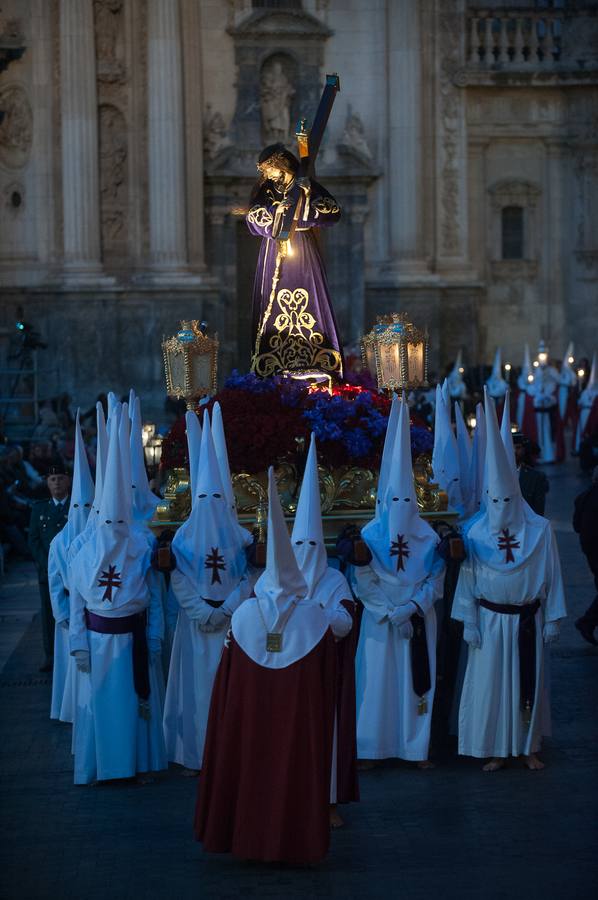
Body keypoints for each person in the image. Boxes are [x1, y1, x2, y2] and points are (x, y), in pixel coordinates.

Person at [194, 467, 337, 864]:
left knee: (250, 768)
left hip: (249, 722)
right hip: (297, 725)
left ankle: (246, 837)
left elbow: (226, 686)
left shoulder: (242, 616)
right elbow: (328, 681)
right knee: (292, 772)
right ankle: (296, 840)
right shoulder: (313, 618)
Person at [452, 389, 566, 771]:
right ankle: (496, 749)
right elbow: (467, 579)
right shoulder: (475, 533)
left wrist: (552, 617)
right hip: (489, 620)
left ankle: (527, 745)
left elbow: (552, 574)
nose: (500, 509)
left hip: (526, 621)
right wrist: (468, 619)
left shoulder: (540, 531)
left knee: (526, 686)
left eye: (507, 501)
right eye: (494, 501)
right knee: (492, 689)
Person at [68, 404, 167, 785]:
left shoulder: (141, 547)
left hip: (133, 640)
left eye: (118, 521)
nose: (112, 528)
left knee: (133, 706)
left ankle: (134, 765)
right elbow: (78, 602)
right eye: (106, 521)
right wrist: (78, 643)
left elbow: (154, 597)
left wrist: (154, 636)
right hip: (96, 641)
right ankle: (103, 767)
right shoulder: (85, 552)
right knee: (100, 709)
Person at [354, 399, 445, 767]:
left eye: (407, 499)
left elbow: (436, 577)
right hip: (379, 620)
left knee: (414, 683)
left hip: (417, 618)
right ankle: (373, 748)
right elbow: (362, 577)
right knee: (376, 683)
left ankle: (414, 746)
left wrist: (412, 608)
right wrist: (388, 610)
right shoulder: (370, 534)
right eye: (395, 499)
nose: (401, 505)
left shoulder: (428, 537)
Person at [163, 411, 252, 775]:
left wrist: (228, 607)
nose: (212, 502)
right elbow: (178, 579)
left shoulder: (242, 536)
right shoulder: (182, 537)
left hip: (232, 625)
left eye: (219, 495)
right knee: (198, 691)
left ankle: (232, 754)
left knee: (231, 691)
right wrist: (203, 612)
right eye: (206, 495)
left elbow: (251, 576)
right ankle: (198, 755)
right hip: (197, 625)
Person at [292, 433, 358, 828]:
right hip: (286, 673)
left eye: (311, 544)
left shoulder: (334, 580)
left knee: (325, 739)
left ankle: (328, 801)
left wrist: (311, 614)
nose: (304, 552)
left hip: (324, 676)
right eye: (298, 543)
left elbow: (345, 622)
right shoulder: (275, 579)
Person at [246, 143, 344, 378]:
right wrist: (277, 212)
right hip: (274, 250)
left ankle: (315, 357)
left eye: (268, 169)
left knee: (308, 296)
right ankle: (272, 359)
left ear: (279, 164)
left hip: (302, 249)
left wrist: (308, 195)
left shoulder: (305, 184)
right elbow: (253, 217)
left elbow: (332, 212)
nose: (266, 175)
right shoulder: (268, 191)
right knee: (274, 299)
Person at [47, 412, 94, 721]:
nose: (81, 512)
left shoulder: (97, 539)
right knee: (71, 667)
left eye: (86, 507)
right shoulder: (59, 542)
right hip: (69, 613)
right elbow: (53, 580)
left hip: (95, 609)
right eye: (76, 507)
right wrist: (62, 614)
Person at [28, 464, 71, 672]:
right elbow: (33, 539)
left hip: (71, 572)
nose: (57, 483)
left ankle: (72, 650)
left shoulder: (76, 507)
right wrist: (48, 565)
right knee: (48, 613)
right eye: (53, 480)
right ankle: (50, 655)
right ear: (47, 482)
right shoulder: (40, 508)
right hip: (48, 572)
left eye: (61, 478)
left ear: (68, 480)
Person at [573, 466, 598, 646]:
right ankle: (587, 622)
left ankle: (587, 622)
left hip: (590, 550)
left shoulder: (583, 497)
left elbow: (576, 525)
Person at [513, 433, 549, 515]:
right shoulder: (495, 475)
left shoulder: (536, 477)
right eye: (510, 447)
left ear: (524, 450)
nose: (514, 451)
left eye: (518, 447)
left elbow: (538, 512)